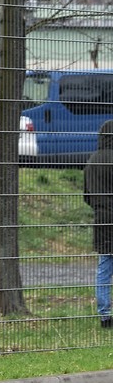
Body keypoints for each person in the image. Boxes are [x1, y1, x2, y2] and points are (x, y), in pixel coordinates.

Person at [84, 119, 113, 328]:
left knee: (104, 269)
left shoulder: (92, 160)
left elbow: (87, 195)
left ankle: (104, 314)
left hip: (101, 219)